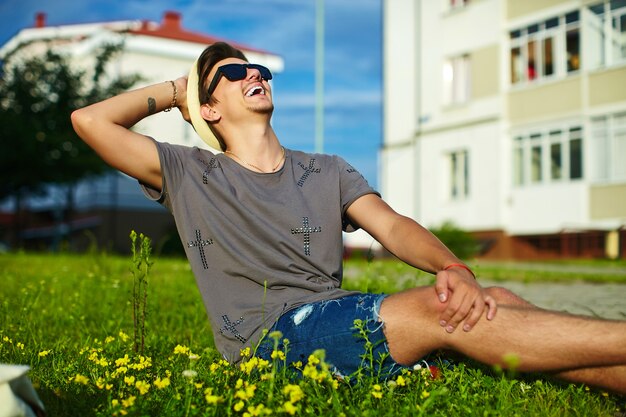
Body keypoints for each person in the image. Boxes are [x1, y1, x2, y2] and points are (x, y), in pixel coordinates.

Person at [71, 42, 626, 394]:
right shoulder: (192, 173)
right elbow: (90, 121)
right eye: (234, 72)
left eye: (257, 68)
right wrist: (176, 92)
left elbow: (391, 225)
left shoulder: (326, 170)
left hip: (335, 317)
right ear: (209, 106)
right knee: (443, 314)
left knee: (494, 300)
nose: (253, 74)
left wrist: (452, 265)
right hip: (269, 346)